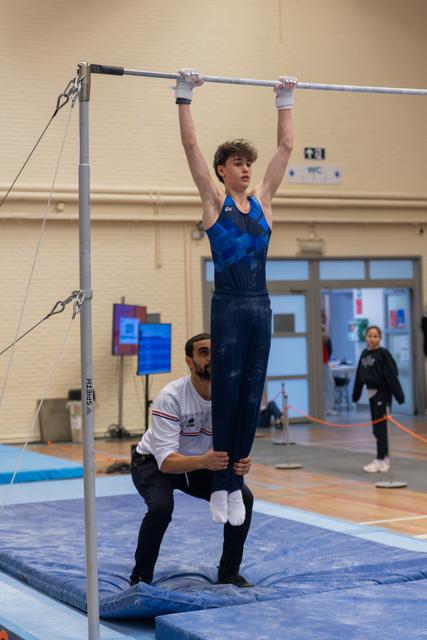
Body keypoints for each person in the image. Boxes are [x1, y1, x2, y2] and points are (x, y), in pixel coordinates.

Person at [175, 68, 296, 526]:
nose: (246, 169)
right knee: (226, 393)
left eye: (249, 163)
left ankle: (233, 482)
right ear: (223, 171)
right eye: (237, 164)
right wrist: (184, 96)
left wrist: (284, 98)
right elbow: (191, 149)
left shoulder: (264, 200)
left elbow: (285, 148)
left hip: (259, 305)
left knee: (252, 393)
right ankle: (220, 478)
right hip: (227, 305)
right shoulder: (213, 202)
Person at [130, 333, 254, 588]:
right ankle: (140, 577)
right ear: (189, 361)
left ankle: (229, 572)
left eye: (213, 351)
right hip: (154, 462)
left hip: (199, 462)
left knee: (245, 497)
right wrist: (206, 462)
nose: (210, 358)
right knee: (161, 509)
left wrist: (242, 462)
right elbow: (166, 462)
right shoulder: (171, 396)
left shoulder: (228, 395)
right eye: (203, 353)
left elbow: (236, 441)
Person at [352, 325, 405, 473]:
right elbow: (359, 375)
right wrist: (355, 395)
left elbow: (392, 375)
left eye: (375, 336)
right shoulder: (364, 354)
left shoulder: (383, 354)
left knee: (381, 428)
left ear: (380, 338)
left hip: (383, 394)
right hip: (371, 394)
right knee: (376, 429)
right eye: (370, 336)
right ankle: (380, 457)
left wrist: (398, 395)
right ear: (366, 337)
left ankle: (383, 459)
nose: (372, 339)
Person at [321, 309, 338, 416]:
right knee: (328, 385)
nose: (324, 317)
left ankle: (328, 407)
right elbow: (325, 338)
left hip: (325, 360)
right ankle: (327, 408)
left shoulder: (323, 327)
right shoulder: (320, 327)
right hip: (321, 361)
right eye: (322, 315)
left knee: (329, 384)